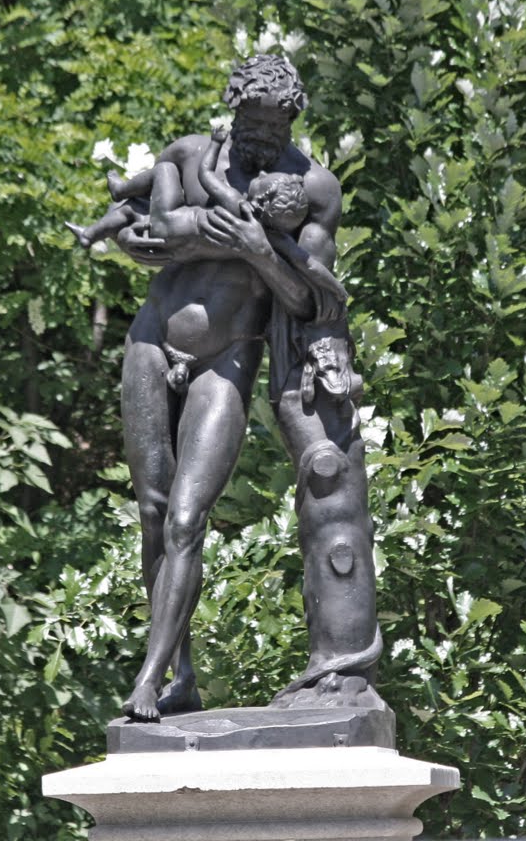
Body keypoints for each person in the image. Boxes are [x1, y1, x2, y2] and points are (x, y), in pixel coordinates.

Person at [113, 54, 379, 721]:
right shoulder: (193, 154)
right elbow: (132, 222)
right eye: (247, 123)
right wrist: (142, 238)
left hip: (228, 358)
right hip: (151, 340)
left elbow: (310, 299)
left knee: (184, 516)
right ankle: (179, 676)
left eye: (271, 127)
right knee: (151, 512)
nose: (258, 139)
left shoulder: (311, 189)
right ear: (231, 107)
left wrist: (255, 249)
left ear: (292, 118)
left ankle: (145, 681)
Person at [65, 129, 309, 251]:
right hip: (177, 235)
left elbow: (205, 175)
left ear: (263, 198)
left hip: (170, 222)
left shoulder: (236, 201)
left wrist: (215, 144)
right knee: (130, 213)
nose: (262, 173)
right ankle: (89, 234)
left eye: (263, 179)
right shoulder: (261, 231)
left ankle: (121, 189)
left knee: (166, 169)